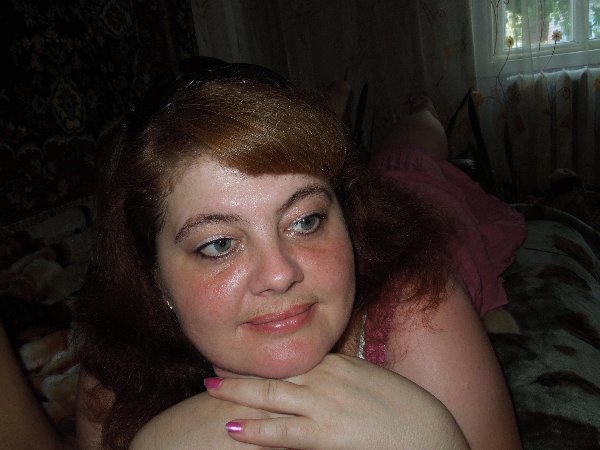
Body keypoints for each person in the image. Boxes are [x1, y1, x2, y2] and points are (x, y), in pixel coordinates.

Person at [74, 63, 524, 449]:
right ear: (155, 278)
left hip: (421, 204)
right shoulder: (118, 374)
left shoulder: (419, 307)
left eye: (305, 221)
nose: (279, 274)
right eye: (219, 244)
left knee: (413, 155)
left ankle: (420, 110)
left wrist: (440, 440)